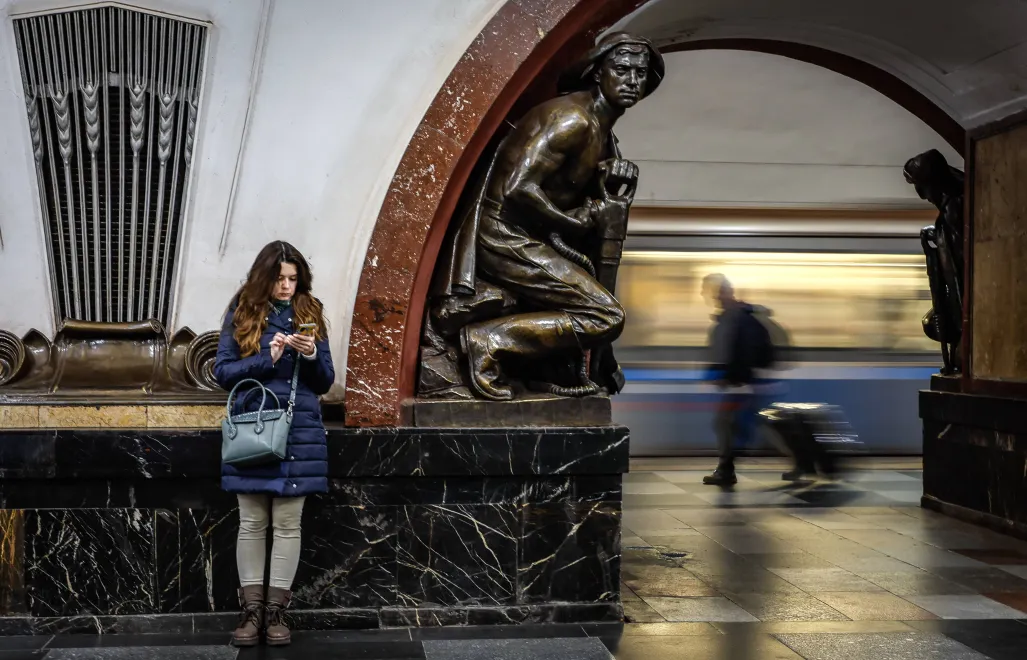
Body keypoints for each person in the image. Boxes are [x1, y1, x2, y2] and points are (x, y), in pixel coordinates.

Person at [431, 32, 664, 400]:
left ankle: (538, 367)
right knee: (606, 316)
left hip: (532, 237)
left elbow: (571, 184)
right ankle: (488, 342)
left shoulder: (603, 129)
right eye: (621, 69)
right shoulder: (572, 120)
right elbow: (518, 187)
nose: (632, 81)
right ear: (597, 72)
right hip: (505, 237)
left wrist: (609, 178)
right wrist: (572, 222)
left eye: (641, 72)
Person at [214, 241, 334, 647]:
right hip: (255, 424)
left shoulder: (309, 312)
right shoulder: (243, 312)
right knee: (252, 521)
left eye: (293, 278)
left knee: (287, 523)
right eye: (280, 278)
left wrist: (313, 353)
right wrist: (270, 355)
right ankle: (250, 612)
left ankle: (276, 612)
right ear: (264, 277)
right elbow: (223, 372)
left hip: (298, 429)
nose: (287, 286)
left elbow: (325, 381)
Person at [700, 274, 768, 486]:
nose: (712, 295)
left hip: (743, 385)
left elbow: (740, 350)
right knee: (735, 425)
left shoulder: (737, 317)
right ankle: (726, 469)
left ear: (726, 291)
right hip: (741, 383)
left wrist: (733, 376)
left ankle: (726, 471)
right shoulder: (731, 316)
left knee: (727, 425)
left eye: (715, 290)